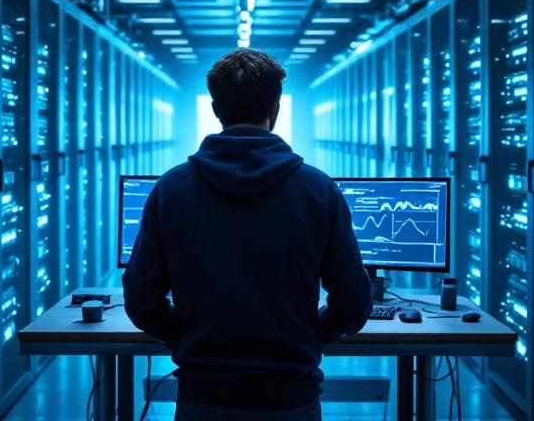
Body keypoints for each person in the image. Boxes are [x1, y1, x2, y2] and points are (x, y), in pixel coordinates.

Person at [123, 49, 373, 421]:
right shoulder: (318, 190)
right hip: (290, 397)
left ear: (215, 108)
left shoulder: (171, 189)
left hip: (202, 395)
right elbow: (354, 303)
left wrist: (186, 339)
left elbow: (141, 299)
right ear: (275, 107)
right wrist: (312, 335)